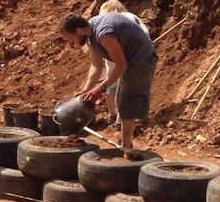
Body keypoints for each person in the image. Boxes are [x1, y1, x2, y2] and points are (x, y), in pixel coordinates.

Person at [58, 10, 157, 153]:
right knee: (122, 100)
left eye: (70, 38)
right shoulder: (90, 34)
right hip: (129, 60)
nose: (71, 42)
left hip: (141, 59)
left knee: (127, 102)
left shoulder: (103, 34)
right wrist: (86, 89)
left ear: (79, 30)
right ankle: (126, 145)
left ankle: (126, 148)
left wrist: (101, 88)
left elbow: (121, 65)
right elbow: (96, 66)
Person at [96, 0, 150, 119]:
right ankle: (123, 118)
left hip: (115, 50)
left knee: (112, 81)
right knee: (129, 84)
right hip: (138, 54)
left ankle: (112, 114)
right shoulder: (132, 17)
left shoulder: (108, 20)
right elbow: (146, 33)